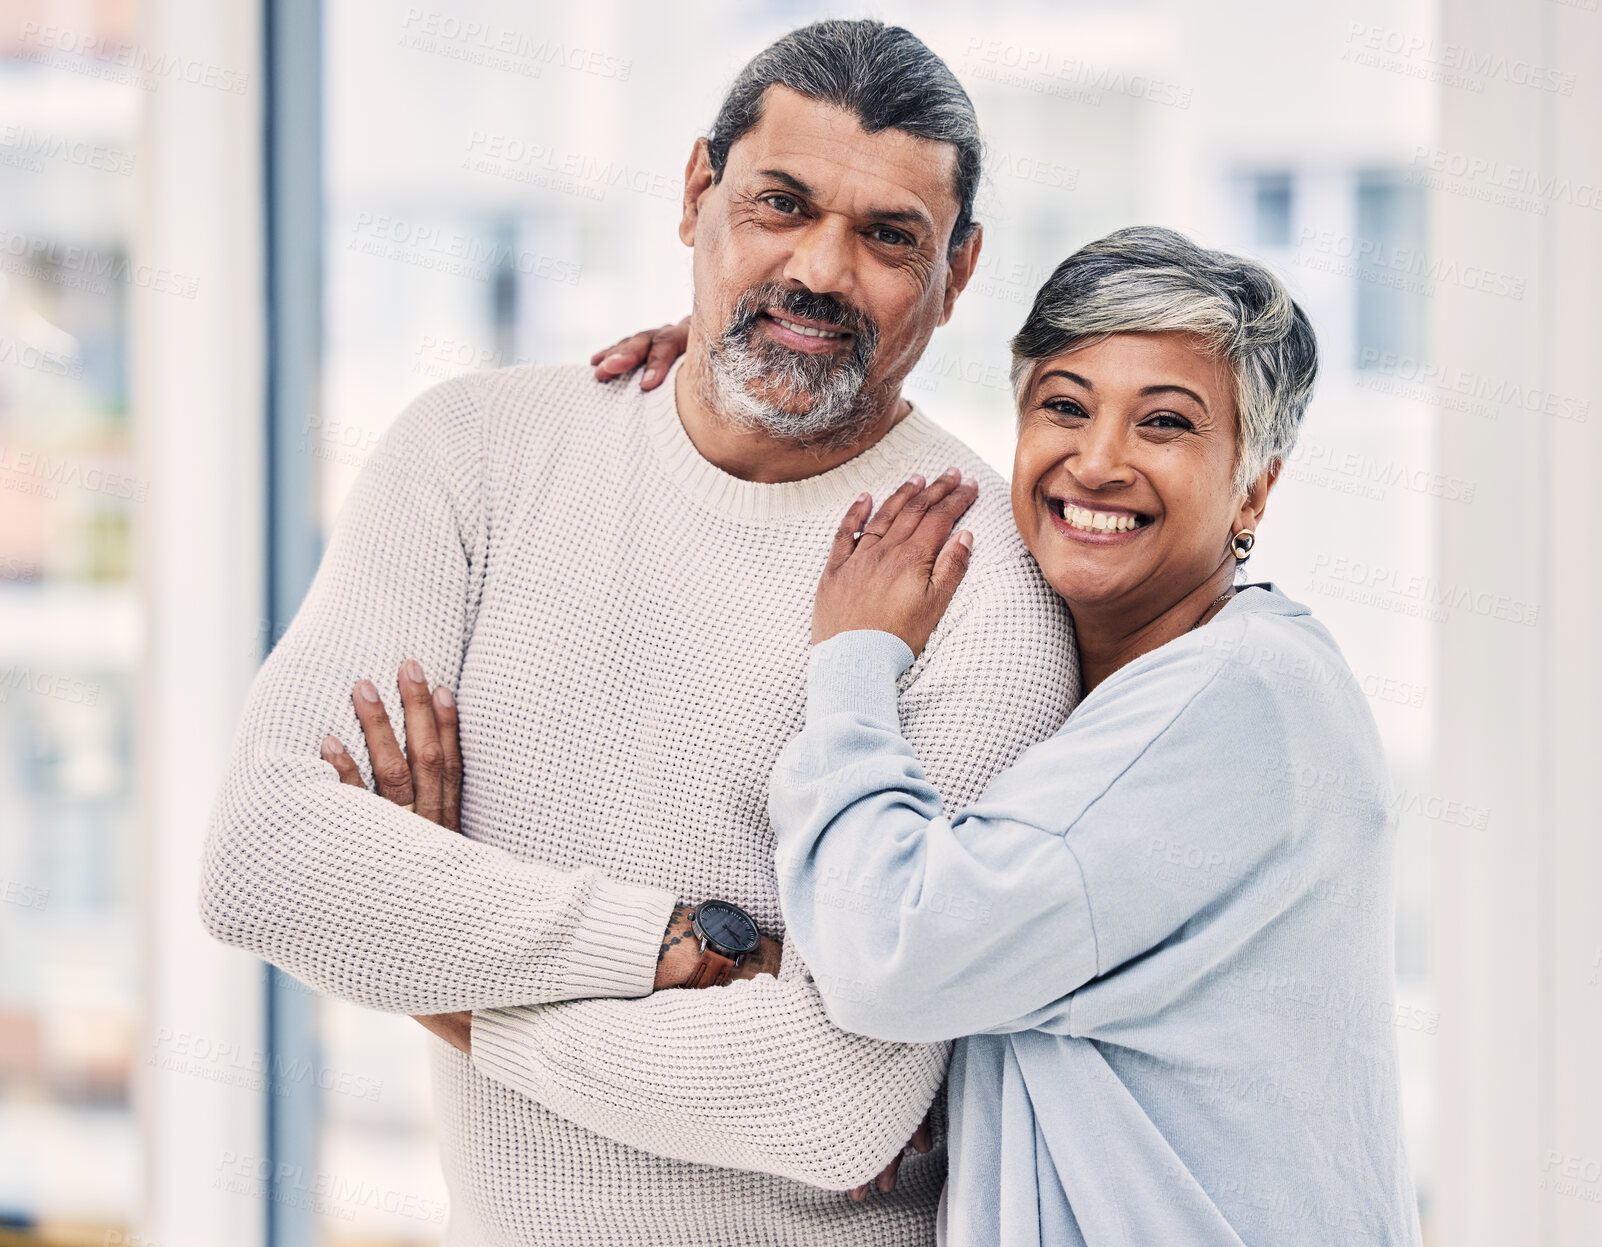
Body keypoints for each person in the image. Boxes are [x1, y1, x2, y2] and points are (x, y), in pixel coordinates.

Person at [199, 20, 1078, 1247]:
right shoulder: (478, 453)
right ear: (695, 193)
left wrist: (434, 958)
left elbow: (832, 1100)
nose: (821, 269)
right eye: (781, 202)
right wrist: (687, 946)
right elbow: (263, 861)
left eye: (890, 237)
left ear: (960, 270)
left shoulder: (980, 581)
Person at [762, 226, 1424, 1246]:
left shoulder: (1233, 696)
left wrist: (853, 661)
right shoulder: (1145, 687)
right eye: (1065, 407)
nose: (1100, 461)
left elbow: (894, 950)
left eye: (1165, 422)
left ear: (1253, 486)